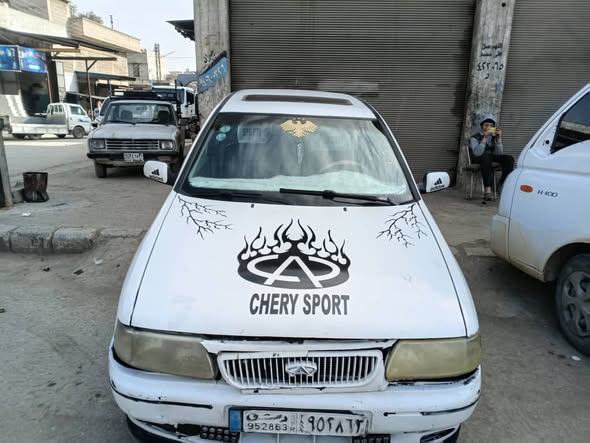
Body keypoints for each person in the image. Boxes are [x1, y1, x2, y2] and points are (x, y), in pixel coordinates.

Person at [469, 116, 514, 201]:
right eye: (486, 125)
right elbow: (477, 153)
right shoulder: (475, 138)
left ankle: (502, 184)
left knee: (509, 159)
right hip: (479, 158)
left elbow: (499, 154)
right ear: (482, 126)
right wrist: (484, 138)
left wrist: (499, 139)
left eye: (491, 125)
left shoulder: (494, 137)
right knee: (486, 156)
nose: (488, 127)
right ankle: (487, 191)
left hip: (490, 157)